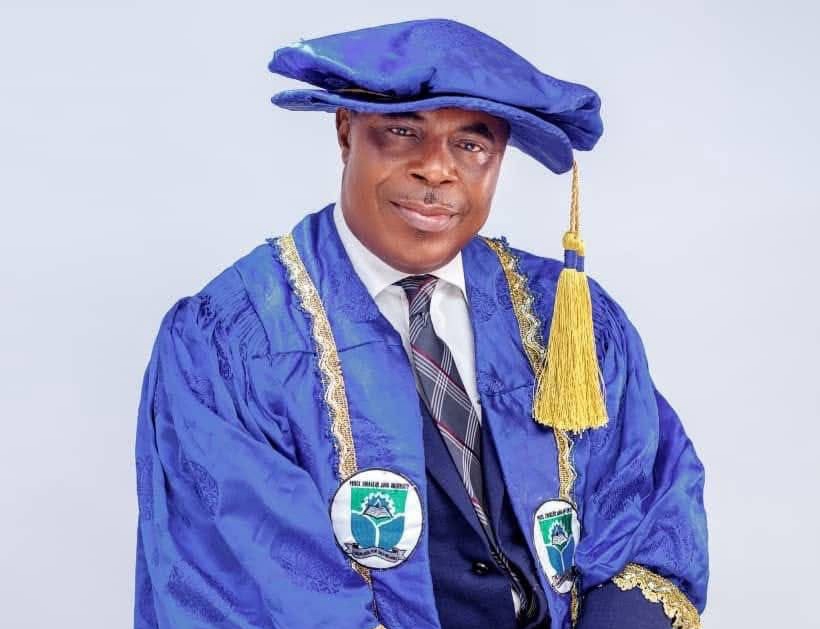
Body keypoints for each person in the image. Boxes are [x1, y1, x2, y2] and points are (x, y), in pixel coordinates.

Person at [133, 18, 708, 629]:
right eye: (403, 132)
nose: (436, 169)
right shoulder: (233, 340)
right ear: (346, 131)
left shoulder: (565, 319)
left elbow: (648, 517)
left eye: (471, 144)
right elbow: (258, 586)